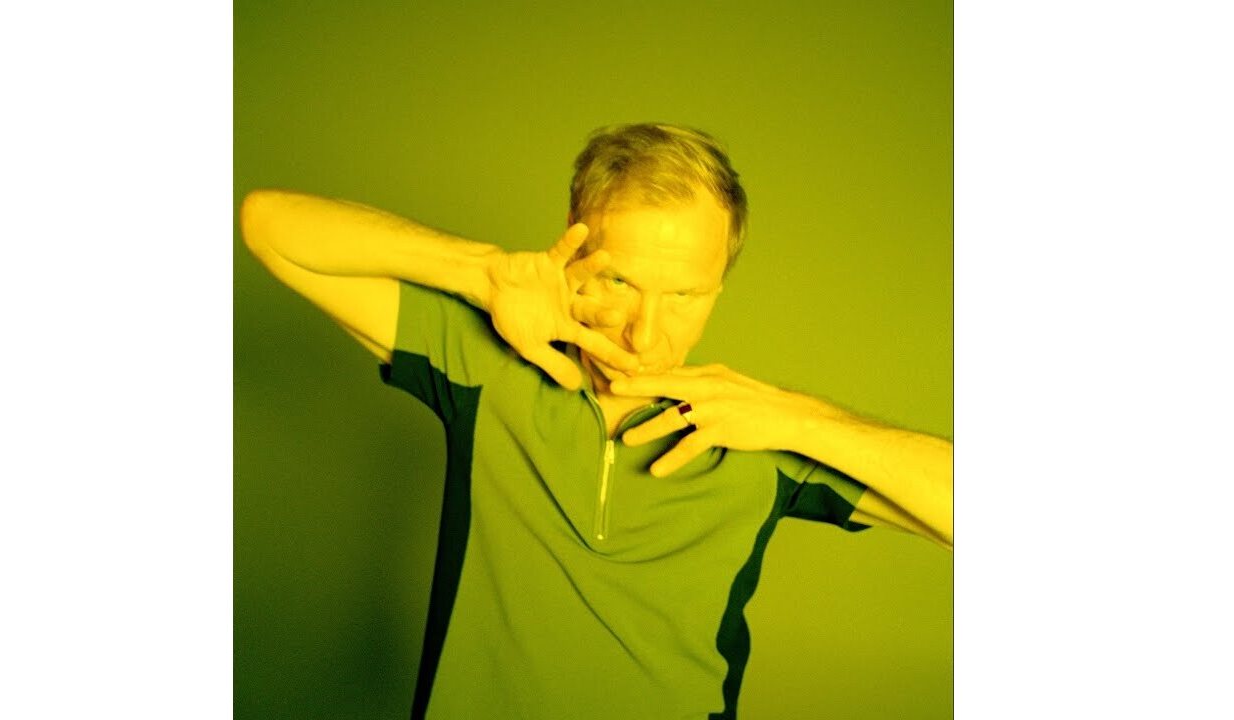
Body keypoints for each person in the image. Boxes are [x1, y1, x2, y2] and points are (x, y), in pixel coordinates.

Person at [240, 123, 952, 719]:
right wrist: (482, 271)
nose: (646, 332)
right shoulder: (484, 365)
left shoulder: (760, 437)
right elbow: (269, 224)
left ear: (720, 285)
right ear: (573, 254)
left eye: (686, 295)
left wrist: (797, 419)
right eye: (619, 281)